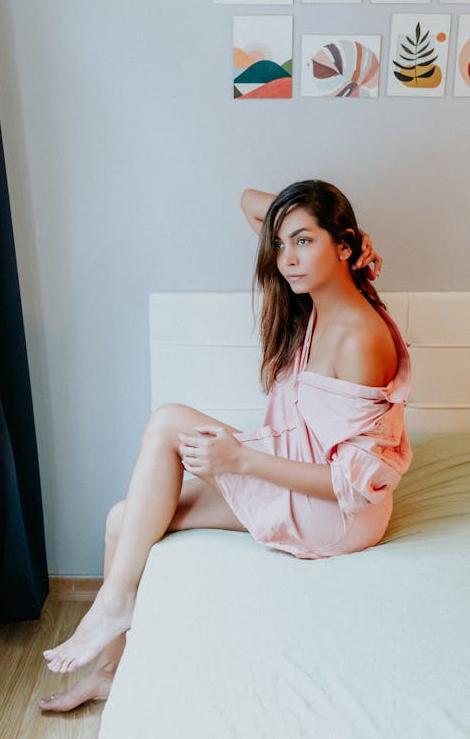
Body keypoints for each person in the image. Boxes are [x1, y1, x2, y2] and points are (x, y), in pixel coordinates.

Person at [39, 179, 411, 712]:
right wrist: (309, 228)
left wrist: (242, 460)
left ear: (345, 245)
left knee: (168, 421)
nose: (287, 259)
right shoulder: (322, 299)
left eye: (305, 242)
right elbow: (249, 201)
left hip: (339, 516)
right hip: (300, 472)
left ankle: (115, 602)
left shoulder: (359, 335)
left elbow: (345, 484)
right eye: (281, 244)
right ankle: (109, 672)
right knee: (123, 522)